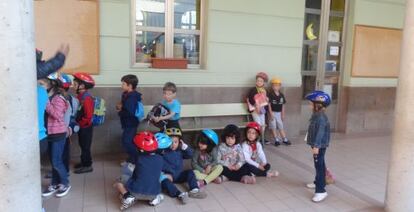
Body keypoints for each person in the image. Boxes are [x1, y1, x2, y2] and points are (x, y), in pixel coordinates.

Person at [113, 131, 164, 210]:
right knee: (155, 180)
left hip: (135, 191)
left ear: (141, 150)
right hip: (153, 192)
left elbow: (133, 173)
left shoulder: (138, 159)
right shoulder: (160, 159)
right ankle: (155, 199)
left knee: (119, 182)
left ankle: (127, 196)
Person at [42, 73, 71, 198]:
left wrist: (45, 101)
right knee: (54, 161)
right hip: (50, 133)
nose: (40, 86)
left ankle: (65, 183)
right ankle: (54, 183)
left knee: (56, 161)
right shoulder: (51, 96)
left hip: (58, 133)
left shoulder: (58, 98)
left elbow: (57, 114)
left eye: (43, 83)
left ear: (52, 83)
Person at [162, 127, 206, 204]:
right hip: (169, 176)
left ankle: (194, 190)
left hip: (179, 175)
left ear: (179, 142)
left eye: (175, 142)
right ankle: (179, 194)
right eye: (170, 142)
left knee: (190, 172)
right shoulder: (163, 152)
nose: (173, 144)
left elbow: (191, 155)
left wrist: (186, 148)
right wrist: (163, 174)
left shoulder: (180, 151)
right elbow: (157, 164)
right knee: (164, 182)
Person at [304, 91, 332, 203]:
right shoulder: (316, 115)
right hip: (317, 144)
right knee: (320, 164)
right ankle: (319, 182)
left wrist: (316, 146)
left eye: (311, 103)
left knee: (319, 166)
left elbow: (320, 132)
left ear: (318, 105)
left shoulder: (321, 117)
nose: (309, 105)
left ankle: (321, 191)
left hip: (319, 145)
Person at [72, 72, 95, 174]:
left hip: (85, 127)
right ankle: (83, 162)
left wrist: (79, 124)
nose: (73, 85)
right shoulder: (80, 96)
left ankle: (87, 165)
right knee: (82, 145)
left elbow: (88, 116)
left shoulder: (86, 98)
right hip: (82, 126)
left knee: (85, 146)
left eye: (75, 84)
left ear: (82, 86)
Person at [116, 75, 142, 164]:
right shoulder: (126, 94)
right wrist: (120, 106)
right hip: (127, 123)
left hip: (131, 123)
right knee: (128, 141)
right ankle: (132, 159)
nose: (121, 86)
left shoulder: (132, 97)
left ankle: (136, 159)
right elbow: (124, 106)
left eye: (123, 84)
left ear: (130, 86)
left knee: (127, 142)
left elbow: (130, 113)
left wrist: (120, 110)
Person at [60, 73, 79, 174]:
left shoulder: (56, 99)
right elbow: (74, 114)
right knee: (65, 150)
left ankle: (60, 171)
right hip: (68, 129)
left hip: (58, 129)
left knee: (58, 151)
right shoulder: (74, 100)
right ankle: (65, 169)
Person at [246, 72, 269, 145]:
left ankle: (261, 138)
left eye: (261, 81)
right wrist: (256, 106)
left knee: (263, 125)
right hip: (255, 110)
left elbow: (266, 101)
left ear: (263, 82)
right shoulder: (253, 90)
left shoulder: (264, 90)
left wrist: (267, 100)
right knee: (258, 124)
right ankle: (256, 139)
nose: (259, 82)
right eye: (258, 80)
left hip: (262, 110)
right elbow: (250, 99)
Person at [268, 78, 291, 146]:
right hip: (272, 113)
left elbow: (283, 105)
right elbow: (269, 105)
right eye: (274, 85)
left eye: (277, 85)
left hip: (279, 113)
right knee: (273, 126)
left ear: (280, 86)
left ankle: (284, 139)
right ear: (272, 86)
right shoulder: (270, 94)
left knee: (281, 126)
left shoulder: (281, 95)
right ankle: (276, 139)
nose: (276, 87)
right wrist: (271, 113)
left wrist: (282, 114)